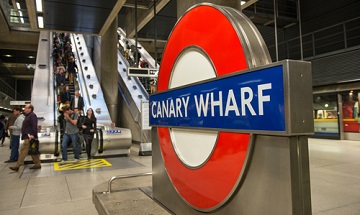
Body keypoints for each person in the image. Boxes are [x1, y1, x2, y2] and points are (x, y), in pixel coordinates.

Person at [9, 104, 41, 171]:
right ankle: (37, 164)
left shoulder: (32, 115)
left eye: (26, 108)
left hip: (29, 137)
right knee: (33, 151)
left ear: (30, 109)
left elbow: (34, 125)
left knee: (23, 151)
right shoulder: (28, 116)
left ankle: (17, 166)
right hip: (28, 136)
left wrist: (32, 134)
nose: (24, 109)